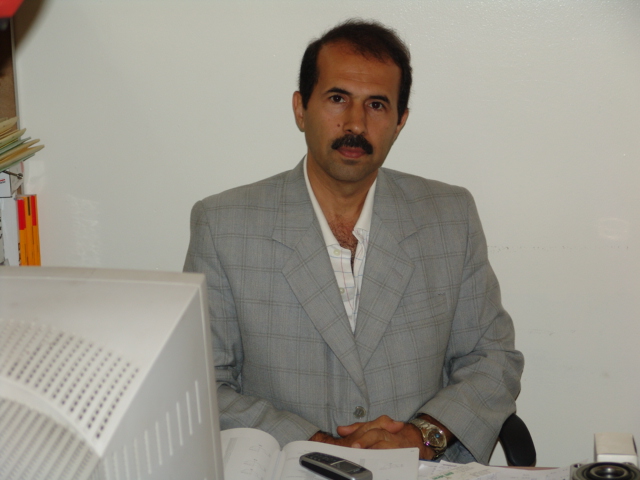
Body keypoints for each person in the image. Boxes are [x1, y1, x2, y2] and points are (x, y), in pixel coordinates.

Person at [184, 19, 524, 464]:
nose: (355, 123)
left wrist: (421, 437)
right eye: (337, 98)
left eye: (377, 105)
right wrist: (315, 444)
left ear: (400, 121)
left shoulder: (449, 216)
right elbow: (203, 384)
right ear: (301, 109)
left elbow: (491, 359)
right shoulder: (224, 225)